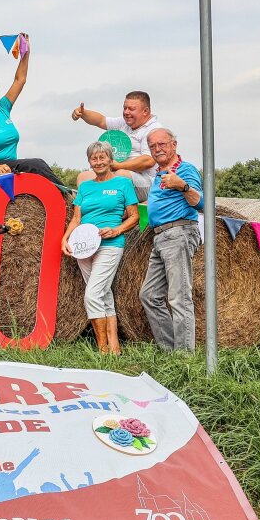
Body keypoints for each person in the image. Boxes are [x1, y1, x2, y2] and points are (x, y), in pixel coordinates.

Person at [61, 141, 140, 355]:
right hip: (84, 247)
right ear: (89, 162)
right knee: (103, 294)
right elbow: (77, 218)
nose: (98, 161)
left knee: (92, 294)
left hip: (110, 244)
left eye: (102, 157)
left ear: (110, 159)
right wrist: (65, 239)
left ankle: (102, 349)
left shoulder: (123, 184)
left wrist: (116, 231)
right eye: (94, 158)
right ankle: (114, 348)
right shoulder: (85, 187)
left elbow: (134, 216)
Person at [0, 38, 61, 186]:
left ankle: (62, 196)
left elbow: (19, 80)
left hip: (9, 164)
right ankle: (66, 194)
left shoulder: (3, 107)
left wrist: (25, 53)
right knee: (37, 164)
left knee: (36, 169)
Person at [139, 129, 204, 351]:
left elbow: (202, 202)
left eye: (162, 144)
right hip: (160, 237)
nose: (157, 149)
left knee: (179, 297)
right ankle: (170, 349)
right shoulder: (158, 174)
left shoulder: (186, 170)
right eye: (153, 146)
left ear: (174, 145)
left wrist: (182, 185)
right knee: (149, 295)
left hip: (179, 233)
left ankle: (184, 357)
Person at [71, 91, 163, 200]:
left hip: (147, 182)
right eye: (125, 108)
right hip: (116, 172)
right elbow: (101, 121)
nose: (126, 112)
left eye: (131, 109)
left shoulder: (153, 129)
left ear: (145, 111)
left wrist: (118, 166)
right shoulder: (124, 122)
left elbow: (148, 161)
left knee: (120, 176)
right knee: (84, 177)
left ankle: (110, 208)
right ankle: (89, 210)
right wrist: (83, 113)